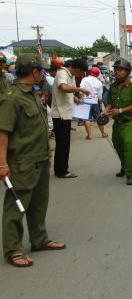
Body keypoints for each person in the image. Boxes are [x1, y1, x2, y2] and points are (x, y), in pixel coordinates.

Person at [0, 54, 66, 268]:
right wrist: (2, 164)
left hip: (39, 158)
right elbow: (3, 132)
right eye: (41, 71)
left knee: (39, 204)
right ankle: (13, 250)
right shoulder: (11, 98)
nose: (43, 74)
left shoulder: (33, 95)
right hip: (21, 162)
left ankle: (39, 239)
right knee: (16, 208)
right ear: (35, 72)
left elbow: (39, 128)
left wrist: (46, 154)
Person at [103, 58, 132, 185]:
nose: (117, 72)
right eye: (115, 70)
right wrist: (106, 111)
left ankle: (130, 173)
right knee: (118, 145)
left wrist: (119, 111)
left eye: (120, 70)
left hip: (130, 122)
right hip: (117, 123)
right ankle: (124, 166)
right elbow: (110, 102)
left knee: (128, 145)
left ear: (127, 72)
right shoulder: (113, 87)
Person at [51, 58, 90, 178]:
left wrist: (76, 99)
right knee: (62, 143)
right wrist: (80, 89)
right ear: (77, 69)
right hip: (60, 114)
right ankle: (61, 171)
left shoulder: (70, 76)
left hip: (66, 113)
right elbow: (63, 88)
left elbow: (69, 92)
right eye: (81, 72)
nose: (80, 75)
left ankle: (62, 168)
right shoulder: (62, 73)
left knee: (65, 143)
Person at [80, 67, 108, 140]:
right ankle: (103, 133)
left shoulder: (84, 79)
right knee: (99, 118)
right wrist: (100, 106)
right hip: (95, 102)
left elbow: (81, 90)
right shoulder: (99, 82)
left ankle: (89, 135)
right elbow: (100, 96)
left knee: (87, 119)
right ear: (97, 74)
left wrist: (81, 99)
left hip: (86, 101)